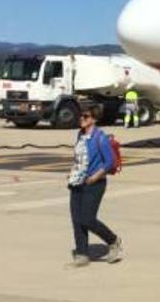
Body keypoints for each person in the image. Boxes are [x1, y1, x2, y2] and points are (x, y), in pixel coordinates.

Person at [67, 107, 122, 267]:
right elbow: (79, 158)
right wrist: (72, 172)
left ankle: (113, 240)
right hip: (77, 181)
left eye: (85, 116)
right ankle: (82, 253)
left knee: (88, 219)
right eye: (81, 116)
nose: (81, 119)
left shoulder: (100, 137)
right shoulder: (80, 135)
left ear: (93, 119)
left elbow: (109, 161)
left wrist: (95, 177)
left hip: (94, 183)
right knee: (77, 220)